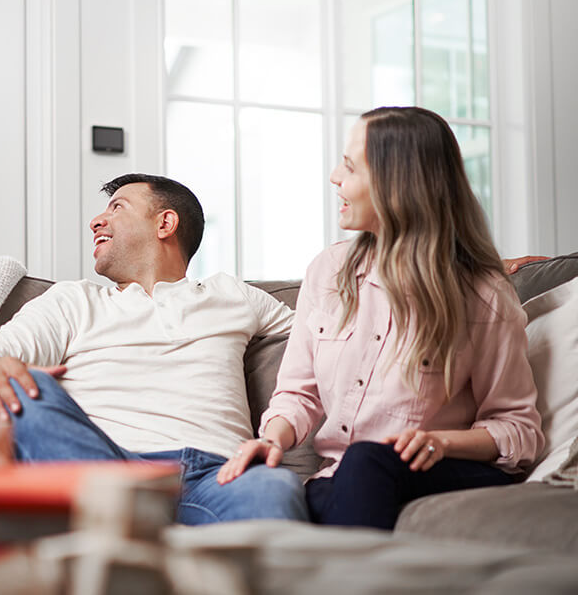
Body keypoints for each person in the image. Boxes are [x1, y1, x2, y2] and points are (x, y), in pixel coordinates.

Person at [217, 106, 545, 530]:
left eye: (350, 167)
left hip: (437, 470)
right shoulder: (328, 272)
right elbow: (298, 394)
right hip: (344, 476)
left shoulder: (482, 296)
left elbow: (518, 429)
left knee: (367, 460)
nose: (335, 176)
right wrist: (271, 440)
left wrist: (441, 442)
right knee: (290, 494)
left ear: (398, 184)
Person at [0, 173, 308, 525]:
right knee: (25, 386)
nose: (96, 222)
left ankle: (131, 533)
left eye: (117, 207)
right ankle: (131, 524)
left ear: (165, 224)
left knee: (273, 485)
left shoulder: (232, 294)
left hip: (222, 476)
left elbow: (323, 335)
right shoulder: (74, 300)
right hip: (109, 470)